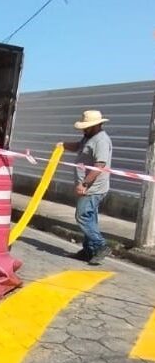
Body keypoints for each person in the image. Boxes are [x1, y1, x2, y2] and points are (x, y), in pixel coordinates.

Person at [61, 110, 113, 265]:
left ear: (96, 125)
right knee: (90, 218)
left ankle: (100, 245)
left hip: (93, 188)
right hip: (89, 187)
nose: (84, 129)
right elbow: (78, 146)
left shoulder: (101, 140)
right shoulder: (88, 137)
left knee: (82, 216)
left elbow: (100, 165)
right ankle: (88, 251)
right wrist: (63, 145)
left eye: (87, 127)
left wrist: (84, 184)